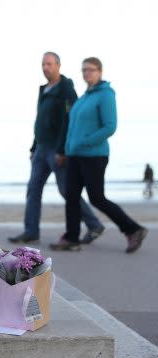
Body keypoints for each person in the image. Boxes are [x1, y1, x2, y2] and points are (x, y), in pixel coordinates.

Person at [51, 57, 148, 253]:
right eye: (84, 70)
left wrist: (85, 141)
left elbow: (110, 127)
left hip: (94, 156)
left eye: (91, 70)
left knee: (96, 197)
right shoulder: (84, 97)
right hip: (75, 156)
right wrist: (66, 149)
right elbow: (72, 127)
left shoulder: (105, 94)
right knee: (71, 196)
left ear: (100, 71)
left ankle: (134, 229)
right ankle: (71, 238)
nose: (87, 73)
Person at [9, 52, 104, 244]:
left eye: (49, 64)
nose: (46, 68)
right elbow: (40, 121)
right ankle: (31, 231)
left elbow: (71, 119)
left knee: (65, 190)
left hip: (57, 150)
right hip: (41, 149)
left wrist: (62, 149)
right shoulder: (44, 89)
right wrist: (33, 147)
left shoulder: (66, 87)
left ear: (58, 65)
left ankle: (94, 224)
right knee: (33, 189)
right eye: (43, 64)